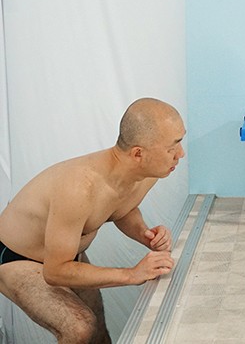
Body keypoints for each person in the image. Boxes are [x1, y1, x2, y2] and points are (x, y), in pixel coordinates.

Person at [0, 98, 185, 343]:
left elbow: (123, 208)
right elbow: (55, 271)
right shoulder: (79, 187)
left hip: (66, 256)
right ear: (138, 153)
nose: (181, 154)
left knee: (97, 327)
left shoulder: (146, 173)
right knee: (79, 328)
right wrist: (131, 274)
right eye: (173, 147)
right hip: (17, 257)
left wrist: (145, 234)